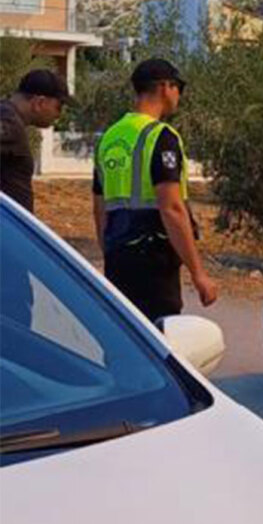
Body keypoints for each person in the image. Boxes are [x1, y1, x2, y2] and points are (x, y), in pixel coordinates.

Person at [92, 57, 218, 324]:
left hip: (118, 257)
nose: (179, 95)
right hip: (154, 261)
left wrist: (110, 252)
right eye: (178, 87)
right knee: (157, 342)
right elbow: (171, 208)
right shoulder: (161, 136)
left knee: (124, 337)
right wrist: (199, 274)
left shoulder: (108, 138)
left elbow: (100, 207)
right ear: (164, 87)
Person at [0, 68, 72, 212]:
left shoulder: (7, 115)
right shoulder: (10, 124)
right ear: (39, 103)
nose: (59, 115)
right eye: (59, 107)